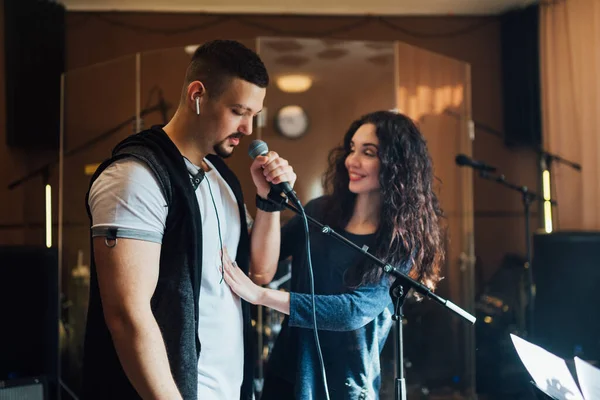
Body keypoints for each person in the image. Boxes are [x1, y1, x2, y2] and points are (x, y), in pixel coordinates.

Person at [82, 40, 296, 400]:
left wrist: (269, 202)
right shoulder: (137, 176)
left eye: (253, 115)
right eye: (238, 111)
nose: (247, 128)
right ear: (198, 94)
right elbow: (127, 315)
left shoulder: (221, 177)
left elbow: (259, 275)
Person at [222, 110, 446, 399]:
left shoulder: (401, 243)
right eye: (352, 149)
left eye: (368, 152)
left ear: (397, 164)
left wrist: (261, 296)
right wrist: (268, 201)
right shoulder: (318, 212)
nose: (352, 160)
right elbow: (261, 267)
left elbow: (352, 311)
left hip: (345, 384)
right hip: (287, 373)